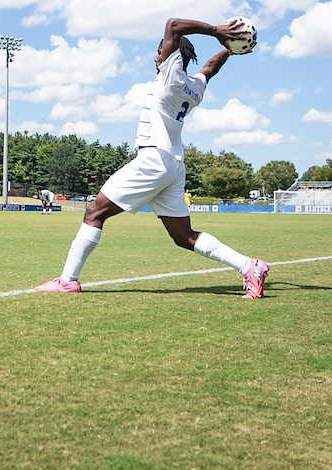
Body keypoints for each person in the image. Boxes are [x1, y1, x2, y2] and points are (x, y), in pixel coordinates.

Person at [34, 17, 269, 299]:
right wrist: (229, 49)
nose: (156, 57)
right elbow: (209, 68)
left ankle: (67, 281)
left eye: (160, 52)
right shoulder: (193, 88)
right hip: (173, 166)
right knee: (183, 236)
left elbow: (173, 25)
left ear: (173, 55)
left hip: (153, 159)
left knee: (94, 212)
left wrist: (216, 31)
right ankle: (249, 266)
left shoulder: (171, 75)